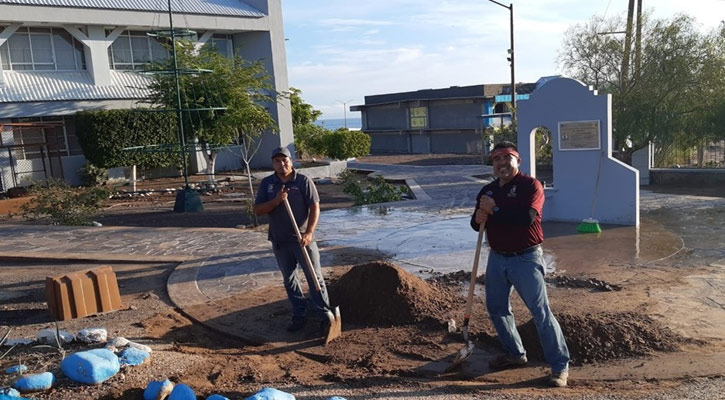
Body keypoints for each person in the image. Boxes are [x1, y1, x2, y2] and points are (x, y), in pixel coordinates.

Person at [471, 141, 570, 387]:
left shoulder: (530, 186)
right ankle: (514, 353)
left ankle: (559, 366)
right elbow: (477, 225)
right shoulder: (488, 191)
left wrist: (494, 210)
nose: (502, 163)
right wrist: (478, 216)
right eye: (496, 159)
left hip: (526, 258)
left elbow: (527, 218)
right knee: (496, 308)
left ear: (518, 161)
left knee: (540, 312)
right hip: (497, 257)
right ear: (492, 164)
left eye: (507, 158)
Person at [254, 146, 330, 333]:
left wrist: (309, 232)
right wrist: (277, 201)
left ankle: (325, 315)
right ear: (273, 163)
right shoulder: (268, 183)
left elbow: (315, 208)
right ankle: (299, 314)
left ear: (291, 161)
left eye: (285, 160)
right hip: (280, 240)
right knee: (289, 279)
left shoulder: (303, 181)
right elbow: (258, 209)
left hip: (303, 240)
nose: (282, 164)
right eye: (277, 161)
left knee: (315, 278)